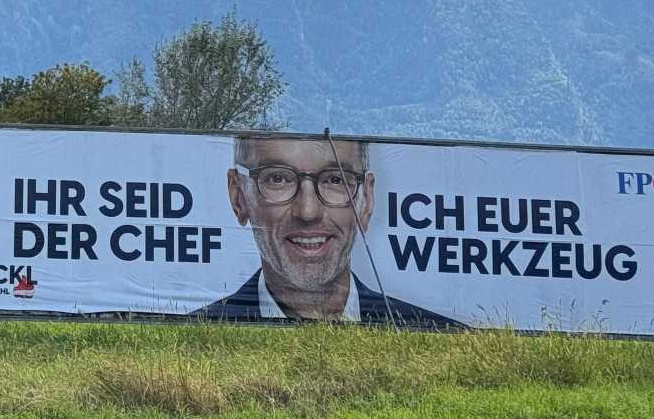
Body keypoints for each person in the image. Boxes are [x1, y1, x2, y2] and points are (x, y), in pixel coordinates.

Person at [193, 134, 462, 327]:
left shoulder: (437, 335)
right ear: (239, 196)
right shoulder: (197, 335)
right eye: (278, 178)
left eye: (335, 180)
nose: (308, 212)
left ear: (366, 201)